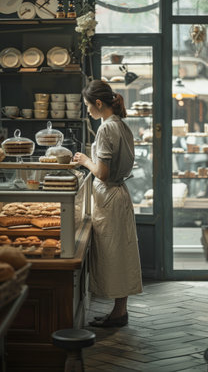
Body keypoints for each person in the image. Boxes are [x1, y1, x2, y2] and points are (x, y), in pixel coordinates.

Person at [73, 79, 143, 328]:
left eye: (88, 105)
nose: (87, 110)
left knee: (113, 256)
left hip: (109, 196)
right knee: (120, 255)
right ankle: (119, 312)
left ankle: (119, 314)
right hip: (119, 194)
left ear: (98, 103)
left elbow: (101, 172)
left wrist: (84, 160)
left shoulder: (105, 129)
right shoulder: (121, 125)